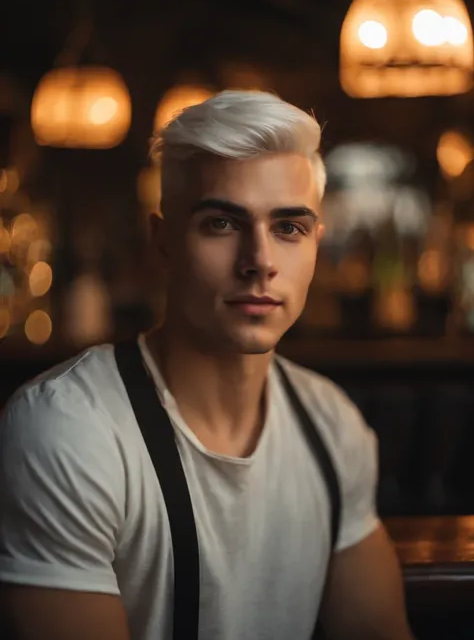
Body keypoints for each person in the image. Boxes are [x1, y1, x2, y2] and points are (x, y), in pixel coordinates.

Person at [0, 90, 413, 640]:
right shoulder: (66, 431)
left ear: (317, 244)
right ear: (162, 241)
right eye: (222, 223)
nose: (260, 262)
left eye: (288, 228)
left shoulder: (333, 427)